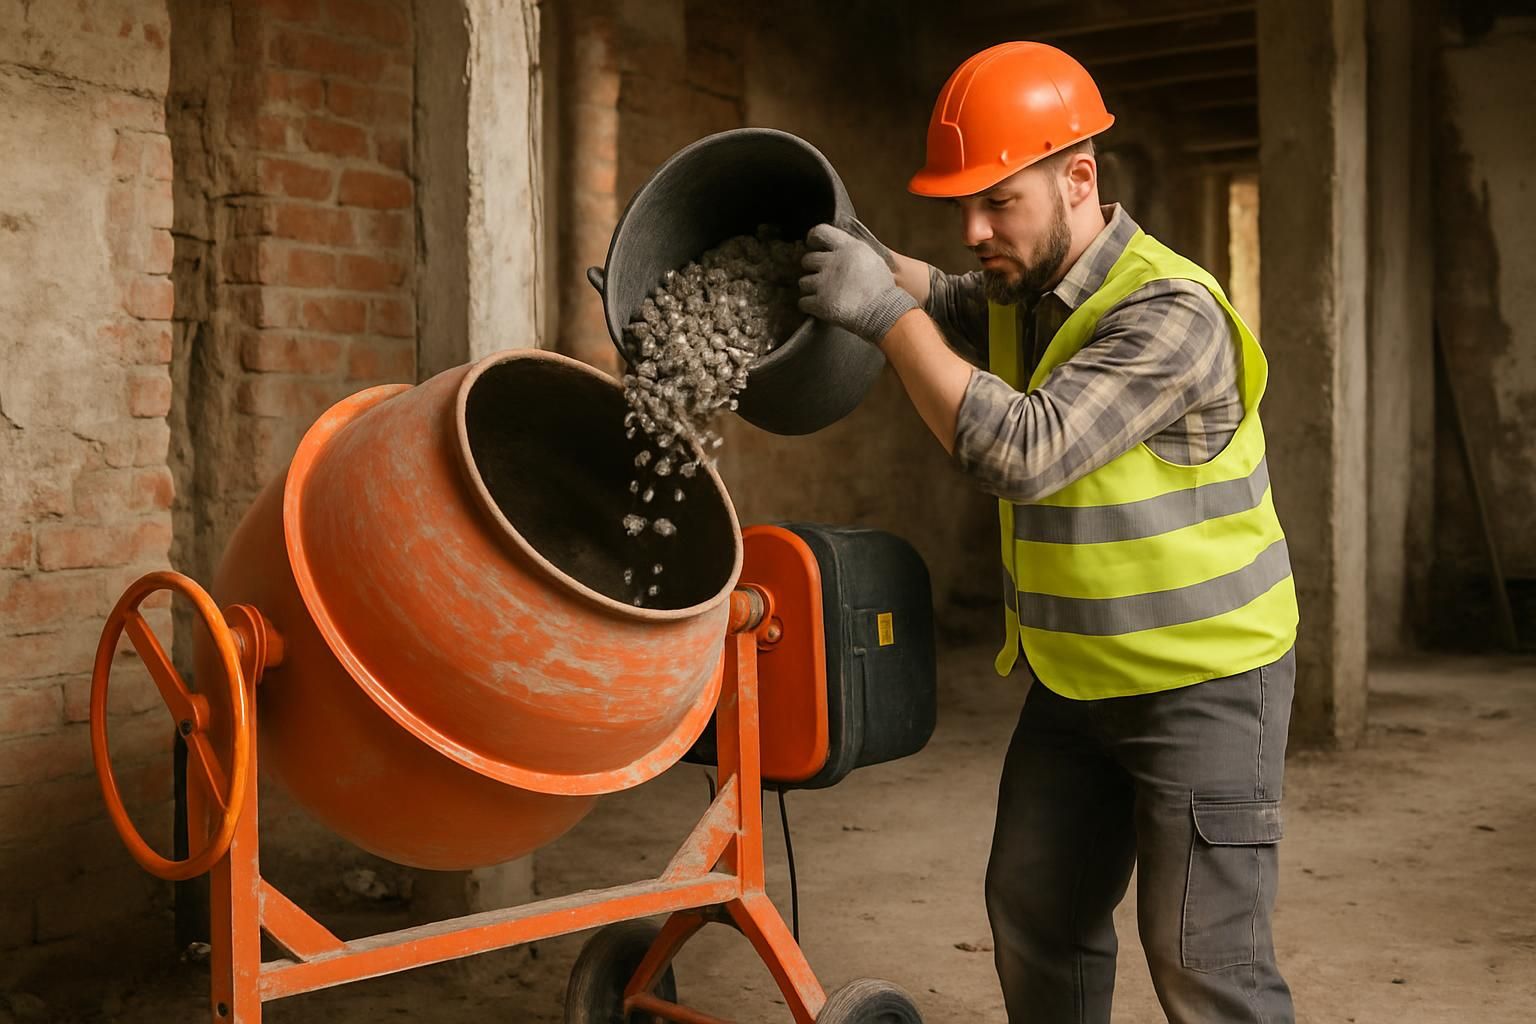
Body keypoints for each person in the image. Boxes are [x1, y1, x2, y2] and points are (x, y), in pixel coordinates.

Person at [796, 41, 1301, 1024]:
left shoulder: (1170, 312)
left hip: (1203, 681)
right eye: (962, 207)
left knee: (1205, 963)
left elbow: (1022, 448)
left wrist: (887, 321)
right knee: (1036, 906)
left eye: (1000, 203)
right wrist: (869, 260)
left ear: (1080, 178)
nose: (976, 231)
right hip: (1080, 676)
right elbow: (951, 297)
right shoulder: (1026, 284)